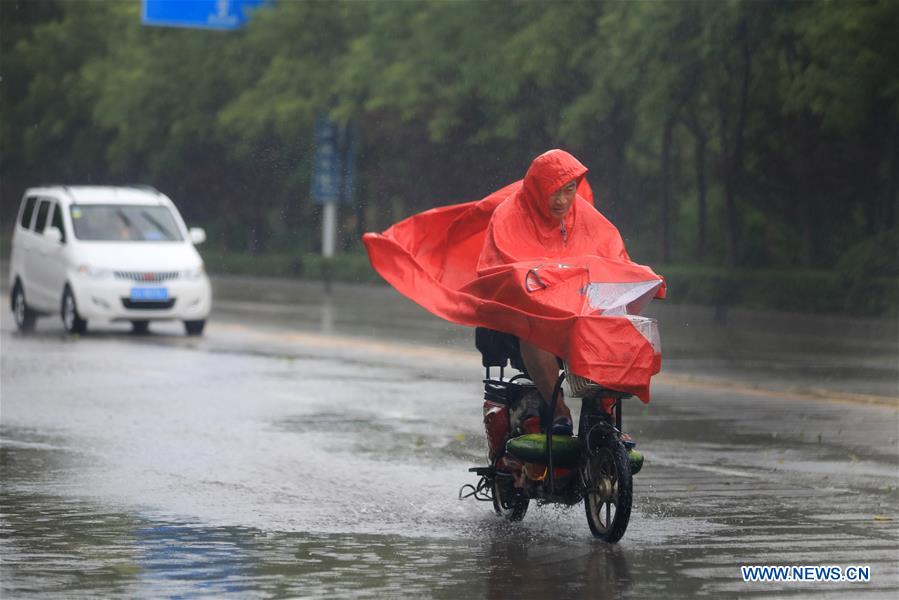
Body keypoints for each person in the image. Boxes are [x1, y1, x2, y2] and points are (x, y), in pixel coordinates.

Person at [476, 149, 634, 435]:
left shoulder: (584, 214)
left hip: (578, 311)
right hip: (529, 313)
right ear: (537, 189)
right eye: (553, 192)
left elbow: (614, 258)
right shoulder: (509, 215)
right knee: (534, 329)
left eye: (568, 190)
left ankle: (601, 411)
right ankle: (558, 409)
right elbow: (503, 271)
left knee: (614, 326)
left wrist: (637, 281)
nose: (561, 200)